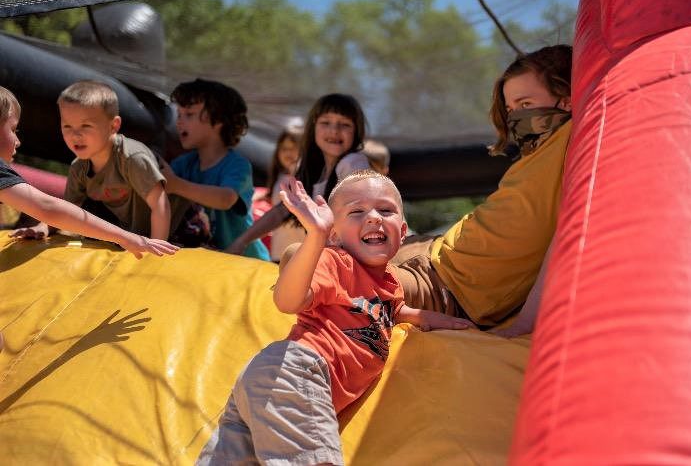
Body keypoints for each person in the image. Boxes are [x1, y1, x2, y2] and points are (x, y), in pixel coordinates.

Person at [198, 170, 474, 465]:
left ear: (403, 231)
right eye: (357, 211)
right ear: (334, 234)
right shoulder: (335, 262)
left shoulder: (389, 284)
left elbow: (396, 312)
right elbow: (288, 300)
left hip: (271, 384)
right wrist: (315, 238)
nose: (374, 217)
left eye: (385, 210)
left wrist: (451, 322)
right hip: (298, 373)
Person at [391, 45, 573, 332]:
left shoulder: (571, 138)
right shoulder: (539, 149)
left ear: (566, 102)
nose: (515, 118)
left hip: (444, 287)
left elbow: (561, 241)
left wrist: (524, 323)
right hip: (435, 251)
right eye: (511, 109)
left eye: (526, 105)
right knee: (322, 254)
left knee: (317, 267)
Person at [0, 85, 178, 259]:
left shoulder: (132, 158)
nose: (75, 135)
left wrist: (157, 253)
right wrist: (44, 227)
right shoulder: (80, 167)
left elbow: (160, 205)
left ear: (113, 125)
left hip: (175, 230)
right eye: (67, 126)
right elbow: (64, 209)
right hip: (131, 236)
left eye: (85, 126)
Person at [225, 93, 371, 256]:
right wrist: (242, 241)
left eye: (344, 124)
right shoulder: (310, 166)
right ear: (313, 127)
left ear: (357, 131)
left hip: (342, 262)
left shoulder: (353, 162)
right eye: (325, 122)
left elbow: (359, 210)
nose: (334, 130)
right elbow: (282, 211)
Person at [159, 79, 270, 260]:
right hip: (206, 262)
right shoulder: (182, 165)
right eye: (178, 114)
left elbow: (226, 198)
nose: (179, 122)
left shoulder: (237, 165)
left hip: (244, 263)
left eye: (189, 114)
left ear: (218, 120)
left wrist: (176, 185)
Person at [265, 118, 305, 261]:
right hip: (279, 251)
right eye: (284, 148)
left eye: (294, 148)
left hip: (298, 252)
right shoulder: (281, 177)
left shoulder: (301, 177)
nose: (288, 153)